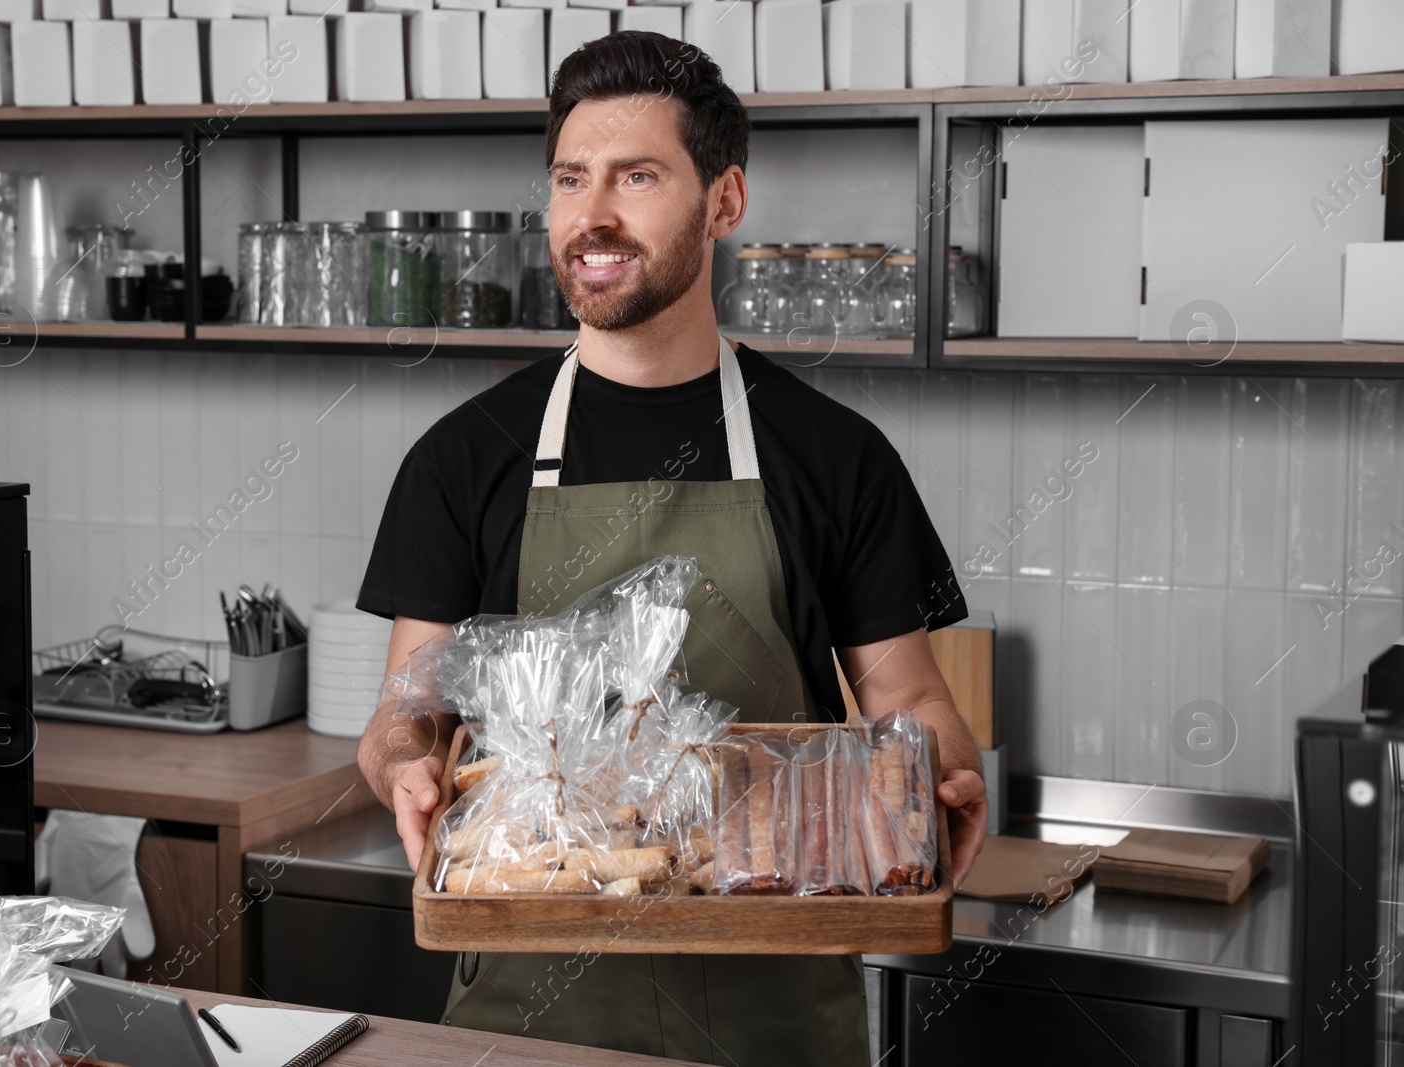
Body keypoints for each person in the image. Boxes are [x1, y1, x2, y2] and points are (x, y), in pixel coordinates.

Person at [355, 30, 987, 1067]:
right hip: (527, 1019)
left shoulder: (836, 455)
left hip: (772, 1016)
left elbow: (909, 706)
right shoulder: (462, 458)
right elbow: (401, 714)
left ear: (724, 202)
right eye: (570, 179)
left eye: (636, 176)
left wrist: (942, 778)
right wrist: (409, 769)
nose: (590, 216)